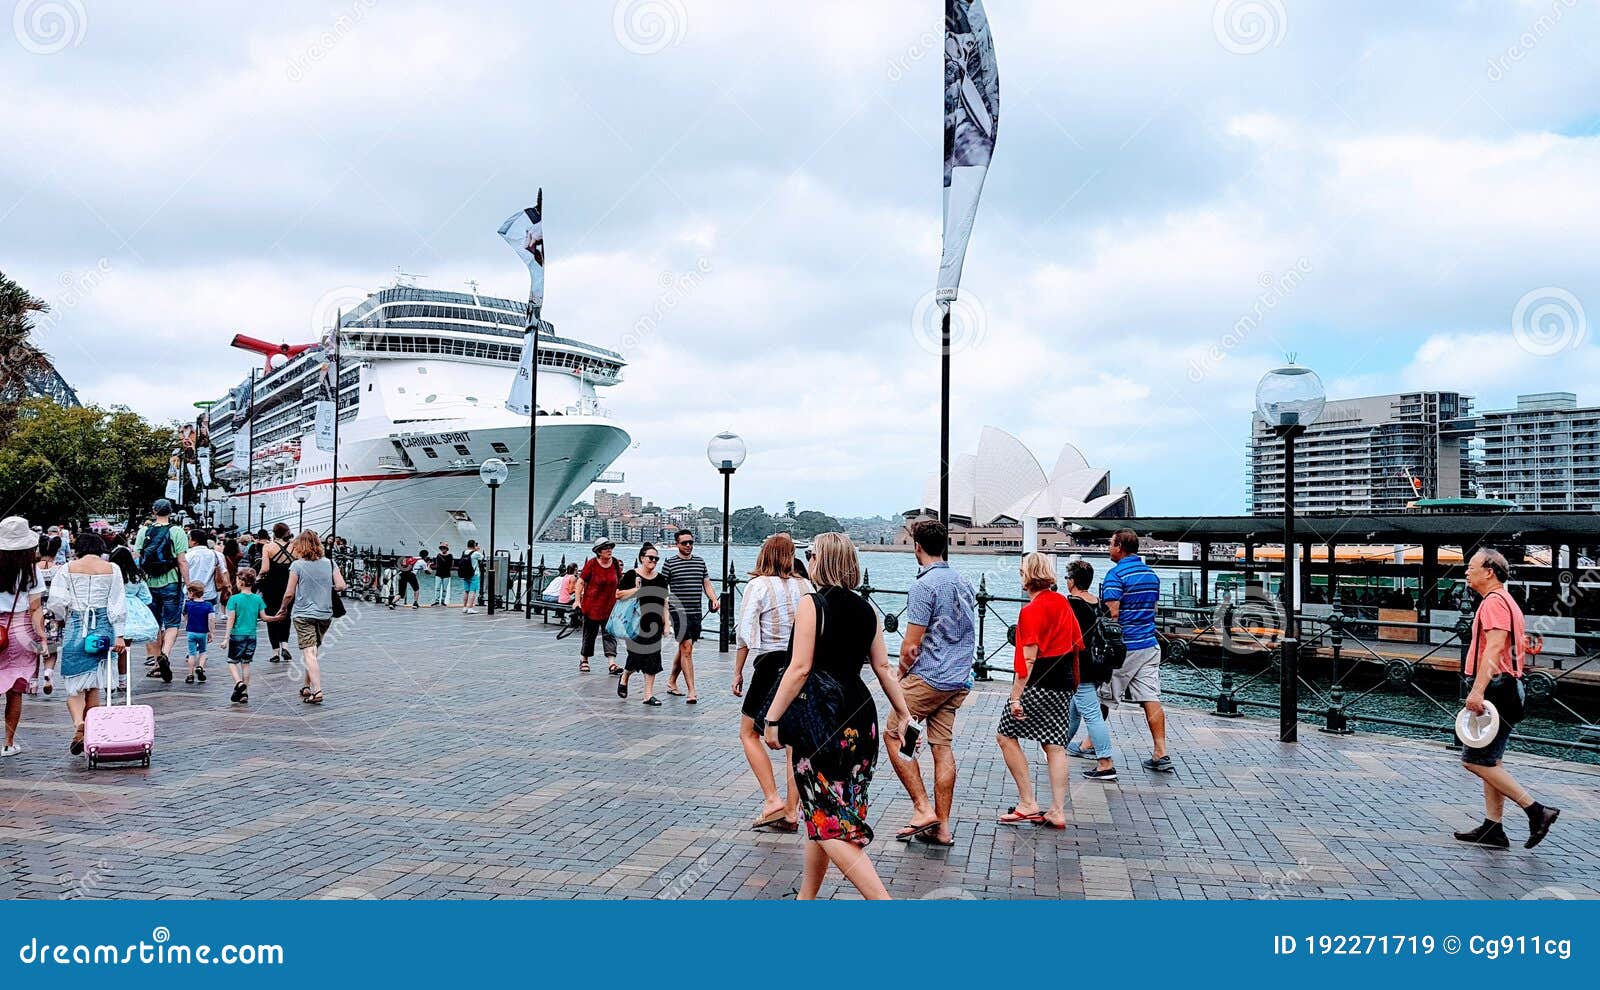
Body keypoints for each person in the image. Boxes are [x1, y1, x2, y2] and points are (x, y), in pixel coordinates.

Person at [762, 533, 912, 900]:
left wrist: (772, 719)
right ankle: (806, 900)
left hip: (822, 721)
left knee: (830, 822)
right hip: (861, 718)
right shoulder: (867, 610)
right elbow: (882, 667)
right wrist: (904, 713)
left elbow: (799, 668)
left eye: (811, 554)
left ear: (821, 560)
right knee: (826, 813)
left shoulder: (812, 604)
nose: (808, 561)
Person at [1454, 548, 1561, 850]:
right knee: (1492, 760)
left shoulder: (1493, 603)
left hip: (1497, 688)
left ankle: (1537, 810)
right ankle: (1493, 827)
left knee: (1474, 761)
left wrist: (1477, 689)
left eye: (1471, 566)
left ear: (1489, 571)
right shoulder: (1506, 601)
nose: (1466, 572)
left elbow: (1495, 647)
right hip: (1509, 686)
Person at [886, 519, 975, 846]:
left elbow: (911, 646)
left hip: (930, 676)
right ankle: (942, 828)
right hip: (958, 678)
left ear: (917, 546)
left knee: (894, 730)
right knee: (942, 747)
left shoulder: (924, 586)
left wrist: (898, 676)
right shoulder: (961, 580)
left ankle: (923, 809)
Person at [996, 553, 1086, 830]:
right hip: (1063, 681)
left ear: (1028, 576)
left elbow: (1029, 658)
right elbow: (1076, 644)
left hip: (1039, 682)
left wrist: (1015, 696)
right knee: (1055, 746)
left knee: (1005, 735)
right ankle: (1057, 810)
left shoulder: (1031, 610)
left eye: (1022, 572)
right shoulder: (1062, 602)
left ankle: (1028, 802)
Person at [733, 534, 811, 832]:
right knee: (793, 740)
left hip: (769, 665)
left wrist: (738, 671)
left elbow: (746, 632)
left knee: (749, 732)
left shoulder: (758, 586)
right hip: (798, 666)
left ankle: (772, 799)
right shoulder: (806, 586)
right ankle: (791, 813)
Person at [48, 532, 126, 756]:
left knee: (74, 683)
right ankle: (91, 731)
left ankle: (78, 725)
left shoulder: (66, 569)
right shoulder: (112, 568)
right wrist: (119, 634)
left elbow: (56, 603)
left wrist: (63, 615)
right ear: (100, 547)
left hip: (76, 626)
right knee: (94, 683)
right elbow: (118, 603)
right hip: (103, 628)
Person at [1101, 529, 1171, 772]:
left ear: (1120, 547)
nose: (1108, 548)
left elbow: (1113, 615)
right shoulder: (1151, 575)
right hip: (1149, 644)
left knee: (1104, 697)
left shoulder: (1115, 575)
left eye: (1110, 544)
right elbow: (1154, 609)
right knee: (1151, 698)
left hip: (1125, 647)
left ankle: (1093, 745)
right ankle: (1160, 751)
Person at [264, 529, 345, 706]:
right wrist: (324, 586)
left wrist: (283, 609)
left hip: (303, 614)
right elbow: (341, 586)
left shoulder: (297, 566)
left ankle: (317, 691)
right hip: (325, 613)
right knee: (313, 650)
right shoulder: (330, 563)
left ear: (301, 546)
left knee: (309, 652)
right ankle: (307, 685)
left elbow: (289, 593)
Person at [1062, 559, 1118, 781]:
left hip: (1080, 665)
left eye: (1067, 578)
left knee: (1092, 714)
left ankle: (1105, 762)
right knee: (1074, 709)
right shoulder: (1099, 604)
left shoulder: (1070, 604)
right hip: (1099, 665)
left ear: (1072, 581)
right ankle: (1058, 747)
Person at [0, 516, 46, 758]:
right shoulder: (32, 570)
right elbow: (35, 608)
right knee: (14, 690)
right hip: (20, 628)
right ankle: (8, 742)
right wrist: (42, 638)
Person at [133, 499, 189, 683]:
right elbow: (181, 560)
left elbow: (137, 556)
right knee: (172, 622)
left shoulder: (144, 531)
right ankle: (165, 654)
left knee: (154, 623)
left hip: (149, 583)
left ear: (154, 511)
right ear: (171, 512)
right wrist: (187, 583)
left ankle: (157, 662)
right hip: (171, 580)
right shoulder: (177, 531)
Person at [662, 529, 719, 704]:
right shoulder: (669, 564)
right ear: (677, 544)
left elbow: (706, 584)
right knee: (686, 649)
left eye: (690, 542)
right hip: (678, 612)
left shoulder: (700, 563)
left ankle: (671, 681)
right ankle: (692, 691)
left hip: (696, 611)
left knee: (685, 648)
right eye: (684, 543)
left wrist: (713, 599)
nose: (688, 545)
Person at [615, 543, 673, 706]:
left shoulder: (661, 579)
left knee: (653, 658)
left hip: (654, 623)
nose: (653, 561)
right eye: (650, 557)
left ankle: (648, 695)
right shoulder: (631, 575)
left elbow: (664, 603)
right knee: (636, 656)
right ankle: (625, 676)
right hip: (634, 623)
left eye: (656, 558)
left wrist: (667, 623)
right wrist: (637, 589)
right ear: (642, 558)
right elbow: (618, 595)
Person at [107, 544, 152, 697]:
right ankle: (122, 680)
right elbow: (147, 597)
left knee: (110, 648)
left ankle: (109, 679)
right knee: (124, 650)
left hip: (112, 610)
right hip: (132, 614)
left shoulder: (110, 575)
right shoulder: (137, 576)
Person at [572, 538, 621, 674]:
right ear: (599, 551)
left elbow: (619, 582)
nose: (609, 550)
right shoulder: (592, 564)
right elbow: (580, 582)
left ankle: (612, 663)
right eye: (606, 548)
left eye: (611, 547)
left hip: (609, 607)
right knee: (589, 635)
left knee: (610, 634)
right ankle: (584, 659)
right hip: (592, 606)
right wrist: (577, 601)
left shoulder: (615, 563)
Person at [225, 568, 265, 704]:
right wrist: (276, 617)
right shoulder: (257, 599)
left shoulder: (234, 599)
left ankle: (238, 682)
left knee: (232, 661)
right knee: (246, 663)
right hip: (252, 635)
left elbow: (231, 619)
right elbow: (264, 617)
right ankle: (245, 693)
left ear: (241, 582)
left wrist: (226, 638)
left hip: (237, 634)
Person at [257, 523, 295, 664]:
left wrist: (258, 578)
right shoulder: (294, 547)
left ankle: (275, 652)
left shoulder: (268, 547)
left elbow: (265, 569)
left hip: (271, 586)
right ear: (287, 532)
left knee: (272, 617)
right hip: (289, 585)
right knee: (286, 615)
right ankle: (285, 645)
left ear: (274, 533)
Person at [185, 528, 232, 608]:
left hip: (191, 593)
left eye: (189, 538)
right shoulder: (216, 555)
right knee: (209, 617)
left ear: (194, 541)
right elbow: (224, 572)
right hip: (210, 593)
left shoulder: (188, 555)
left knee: (190, 618)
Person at [181, 580, 215, 684]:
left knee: (191, 654)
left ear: (191, 592)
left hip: (191, 632)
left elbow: (185, 616)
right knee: (203, 651)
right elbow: (211, 619)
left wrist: (187, 623)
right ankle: (200, 667)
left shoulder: (188, 604)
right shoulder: (208, 605)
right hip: (202, 632)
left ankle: (190, 675)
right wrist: (211, 632)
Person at [459, 540, 483, 614]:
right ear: (474, 545)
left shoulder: (464, 552)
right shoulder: (475, 553)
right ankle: (470, 608)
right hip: (474, 574)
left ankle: (465, 607)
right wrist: (478, 550)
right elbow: (482, 557)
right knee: (472, 591)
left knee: (466, 591)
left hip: (465, 574)